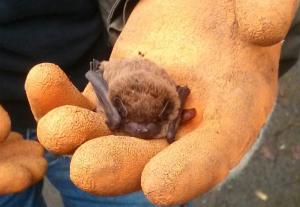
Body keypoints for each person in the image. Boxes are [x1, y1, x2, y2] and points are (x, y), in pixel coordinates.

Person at [0, 0, 298, 207]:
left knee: (152, 181)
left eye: (148, 125)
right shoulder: (119, 105)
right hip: (95, 86)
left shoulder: (161, 103)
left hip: (102, 67)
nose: (142, 130)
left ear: (173, 109)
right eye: (137, 125)